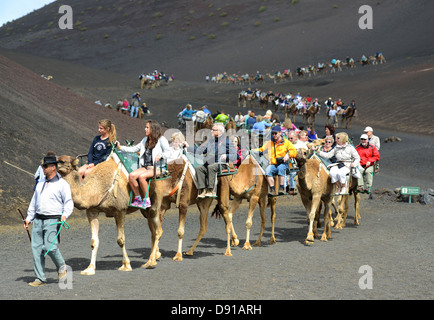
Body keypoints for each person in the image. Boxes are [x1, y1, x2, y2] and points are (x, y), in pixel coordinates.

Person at [24, 153, 74, 287]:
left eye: (45, 166)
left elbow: (69, 203)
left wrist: (64, 215)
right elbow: (34, 203)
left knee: (50, 247)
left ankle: (62, 266)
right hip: (38, 220)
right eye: (42, 166)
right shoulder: (40, 184)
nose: (43, 168)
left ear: (53, 167)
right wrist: (29, 218)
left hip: (53, 220)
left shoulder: (63, 184)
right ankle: (40, 278)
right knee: (37, 250)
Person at [115, 120, 170, 208]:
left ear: (153, 129)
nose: (145, 129)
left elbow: (168, 152)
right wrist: (120, 147)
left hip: (158, 167)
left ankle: (147, 200)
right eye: (146, 127)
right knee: (132, 176)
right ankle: (138, 198)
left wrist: (161, 155)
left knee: (141, 177)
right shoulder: (145, 140)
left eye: (147, 127)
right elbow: (133, 149)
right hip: (146, 167)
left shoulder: (161, 140)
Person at [193, 123, 238, 198]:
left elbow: (236, 156)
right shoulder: (211, 141)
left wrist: (227, 156)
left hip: (222, 164)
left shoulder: (227, 142)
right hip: (211, 163)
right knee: (199, 168)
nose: (211, 131)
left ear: (220, 131)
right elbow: (200, 150)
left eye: (213, 130)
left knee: (211, 167)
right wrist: (188, 147)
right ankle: (203, 190)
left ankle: (211, 190)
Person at [254, 126, 297, 196]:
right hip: (273, 164)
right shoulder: (269, 143)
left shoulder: (286, 142)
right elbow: (261, 149)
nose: (274, 135)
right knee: (267, 170)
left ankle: (281, 188)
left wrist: (288, 155)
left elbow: (294, 151)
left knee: (281, 168)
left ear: (280, 133)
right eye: (273, 133)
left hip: (284, 163)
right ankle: (272, 189)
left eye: (275, 133)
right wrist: (251, 151)